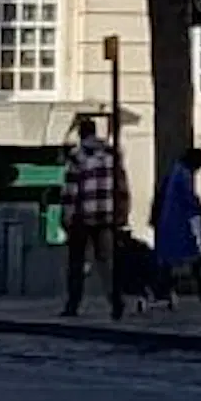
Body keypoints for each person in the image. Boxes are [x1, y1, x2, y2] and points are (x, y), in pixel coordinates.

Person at [58, 114, 127, 321]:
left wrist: (66, 217)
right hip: (107, 215)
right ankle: (116, 302)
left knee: (77, 262)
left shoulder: (77, 156)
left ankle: (73, 304)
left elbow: (70, 190)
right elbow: (122, 185)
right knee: (106, 261)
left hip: (82, 216)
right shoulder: (113, 154)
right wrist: (122, 211)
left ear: (81, 133)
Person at [149, 145, 201, 311]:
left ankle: (162, 290)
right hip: (177, 222)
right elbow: (190, 199)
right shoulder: (183, 175)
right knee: (192, 253)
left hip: (171, 221)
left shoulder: (176, 172)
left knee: (170, 259)